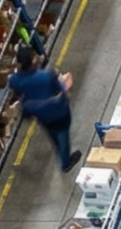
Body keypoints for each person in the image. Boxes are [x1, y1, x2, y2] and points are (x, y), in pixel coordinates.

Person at [7, 43, 77, 171]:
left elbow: (18, 93)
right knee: (63, 134)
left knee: (53, 134)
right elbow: (60, 89)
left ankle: (60, 154)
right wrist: (62, 80)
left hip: (41, 115)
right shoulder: (46, 76)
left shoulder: (14, 80)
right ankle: (66, 163)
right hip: (58, 111)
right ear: (32, 60)